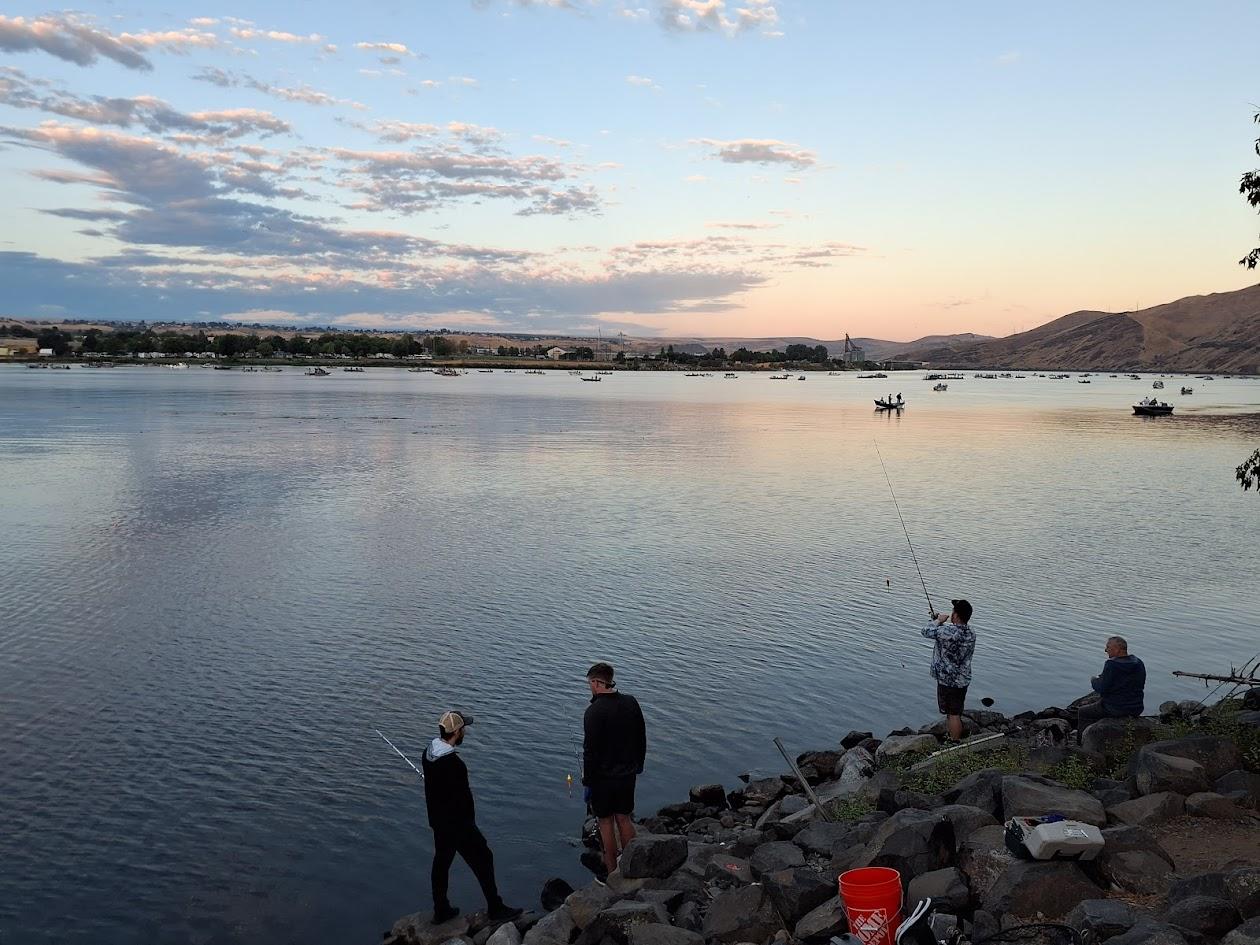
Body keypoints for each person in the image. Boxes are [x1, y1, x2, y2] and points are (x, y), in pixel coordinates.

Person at [421, 711, 521, 925]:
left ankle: (441, 909)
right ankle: (495, 907)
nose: (465, 730)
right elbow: (464, 802)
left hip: (438, 822)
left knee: (441, 863)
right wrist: (470, 824)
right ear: (456, 732)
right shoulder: (455, 765)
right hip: (458, 825)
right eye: (463, 728)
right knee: (484, 858)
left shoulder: (427, 753)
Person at [582, 662, 647, 878]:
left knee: (606, 823)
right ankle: (632, 865)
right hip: (628, 775)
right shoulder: (630, 702)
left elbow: (590, 752)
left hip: (603, 779)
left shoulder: (593, 712)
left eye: (590, 683)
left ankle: (612, 873)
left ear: (597, 682)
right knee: (624, 818)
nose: (590, 688)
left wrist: (588, 783)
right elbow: (641, 736)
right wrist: (639, 764)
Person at [921, 599, 976, 741]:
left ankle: (954, 743)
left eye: (953, 612)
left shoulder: (947, 631)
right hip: (962, 680)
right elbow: (950, 634)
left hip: (948, 681)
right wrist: (939, 623)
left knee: (953, 714)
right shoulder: (971, 632)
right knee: (956, 711)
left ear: (956, 615)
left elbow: (926, 631)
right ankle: (954, 737)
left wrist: (937, 620)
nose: (951, 614)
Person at [1076, 636, 1145, 743]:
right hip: (1136, 707)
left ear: (1117, 649)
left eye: (1108, 647)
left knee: (1083, 712)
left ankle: (1082, 744)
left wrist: (1093, 680)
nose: (1105, 650)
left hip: (1115, 708)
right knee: (1096, 702)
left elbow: (1102, 688)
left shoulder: (1112, 664)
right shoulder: (1138, 662)